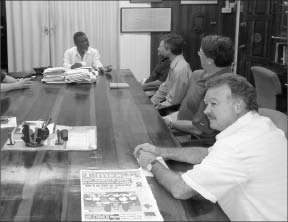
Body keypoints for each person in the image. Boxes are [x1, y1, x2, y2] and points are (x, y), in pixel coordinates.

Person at [134, 74, 287, 221]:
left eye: (213, 104)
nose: (206, 111)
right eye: (206, 104)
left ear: (238, 105)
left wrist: (151, 163)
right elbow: (206, 154)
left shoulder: (236, 146)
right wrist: (159, 151)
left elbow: (180, 189)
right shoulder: (259, 125)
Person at [163, 35, 234, 139]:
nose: (199, 55)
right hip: (178, 123)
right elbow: (186, 106)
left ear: (210, 60)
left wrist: (170, 122)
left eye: (200, 53)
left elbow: (199, 129)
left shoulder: (221, 86)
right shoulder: (197, 75)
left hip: (193, 137)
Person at [150, 34, 192, 109]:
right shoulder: (174, 63)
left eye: (161, 46)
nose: (158, 48)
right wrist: (151, 103)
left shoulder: (180, 69)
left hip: (174, 110)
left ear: (169, 50)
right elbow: (165, 87)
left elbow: (173, 102)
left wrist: (156, 108)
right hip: (167, 106)